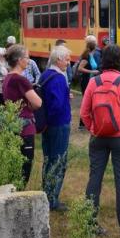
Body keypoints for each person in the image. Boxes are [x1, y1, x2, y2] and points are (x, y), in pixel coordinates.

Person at [81, 44, 120, 238]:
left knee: (94, 179)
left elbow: (84, 113)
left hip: (98, 138)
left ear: (103, 59)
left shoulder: (93, 81)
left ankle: (89, 223)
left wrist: (93, 129)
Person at [2, 44, 43, 185]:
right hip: (25, 128)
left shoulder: (7, 78)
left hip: (12, 124)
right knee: (24, 168)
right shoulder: (21, 80)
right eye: (27, 57)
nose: (29, 60)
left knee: (14, 166)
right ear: (19, 60)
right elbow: (38, 103)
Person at [39, 45, 73, 211]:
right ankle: (52, 199)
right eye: (67, 59)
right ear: (58, 60)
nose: (68, 62)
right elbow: (57, 105)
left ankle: (46, 193)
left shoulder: (45, 75)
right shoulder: (59, 78)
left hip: (47, 125)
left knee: (48, 159)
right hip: (58, 124)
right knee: (58, 161)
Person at [76, 35, 102, 130]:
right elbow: (80, 68)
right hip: (87, 81)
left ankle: (91, 121)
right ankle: (82, 123)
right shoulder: (86, 55)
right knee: (87, 101)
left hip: (93, 81)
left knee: (94, 101)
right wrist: (92, 72)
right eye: (95, 42)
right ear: (93, 44)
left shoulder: (97, 52)